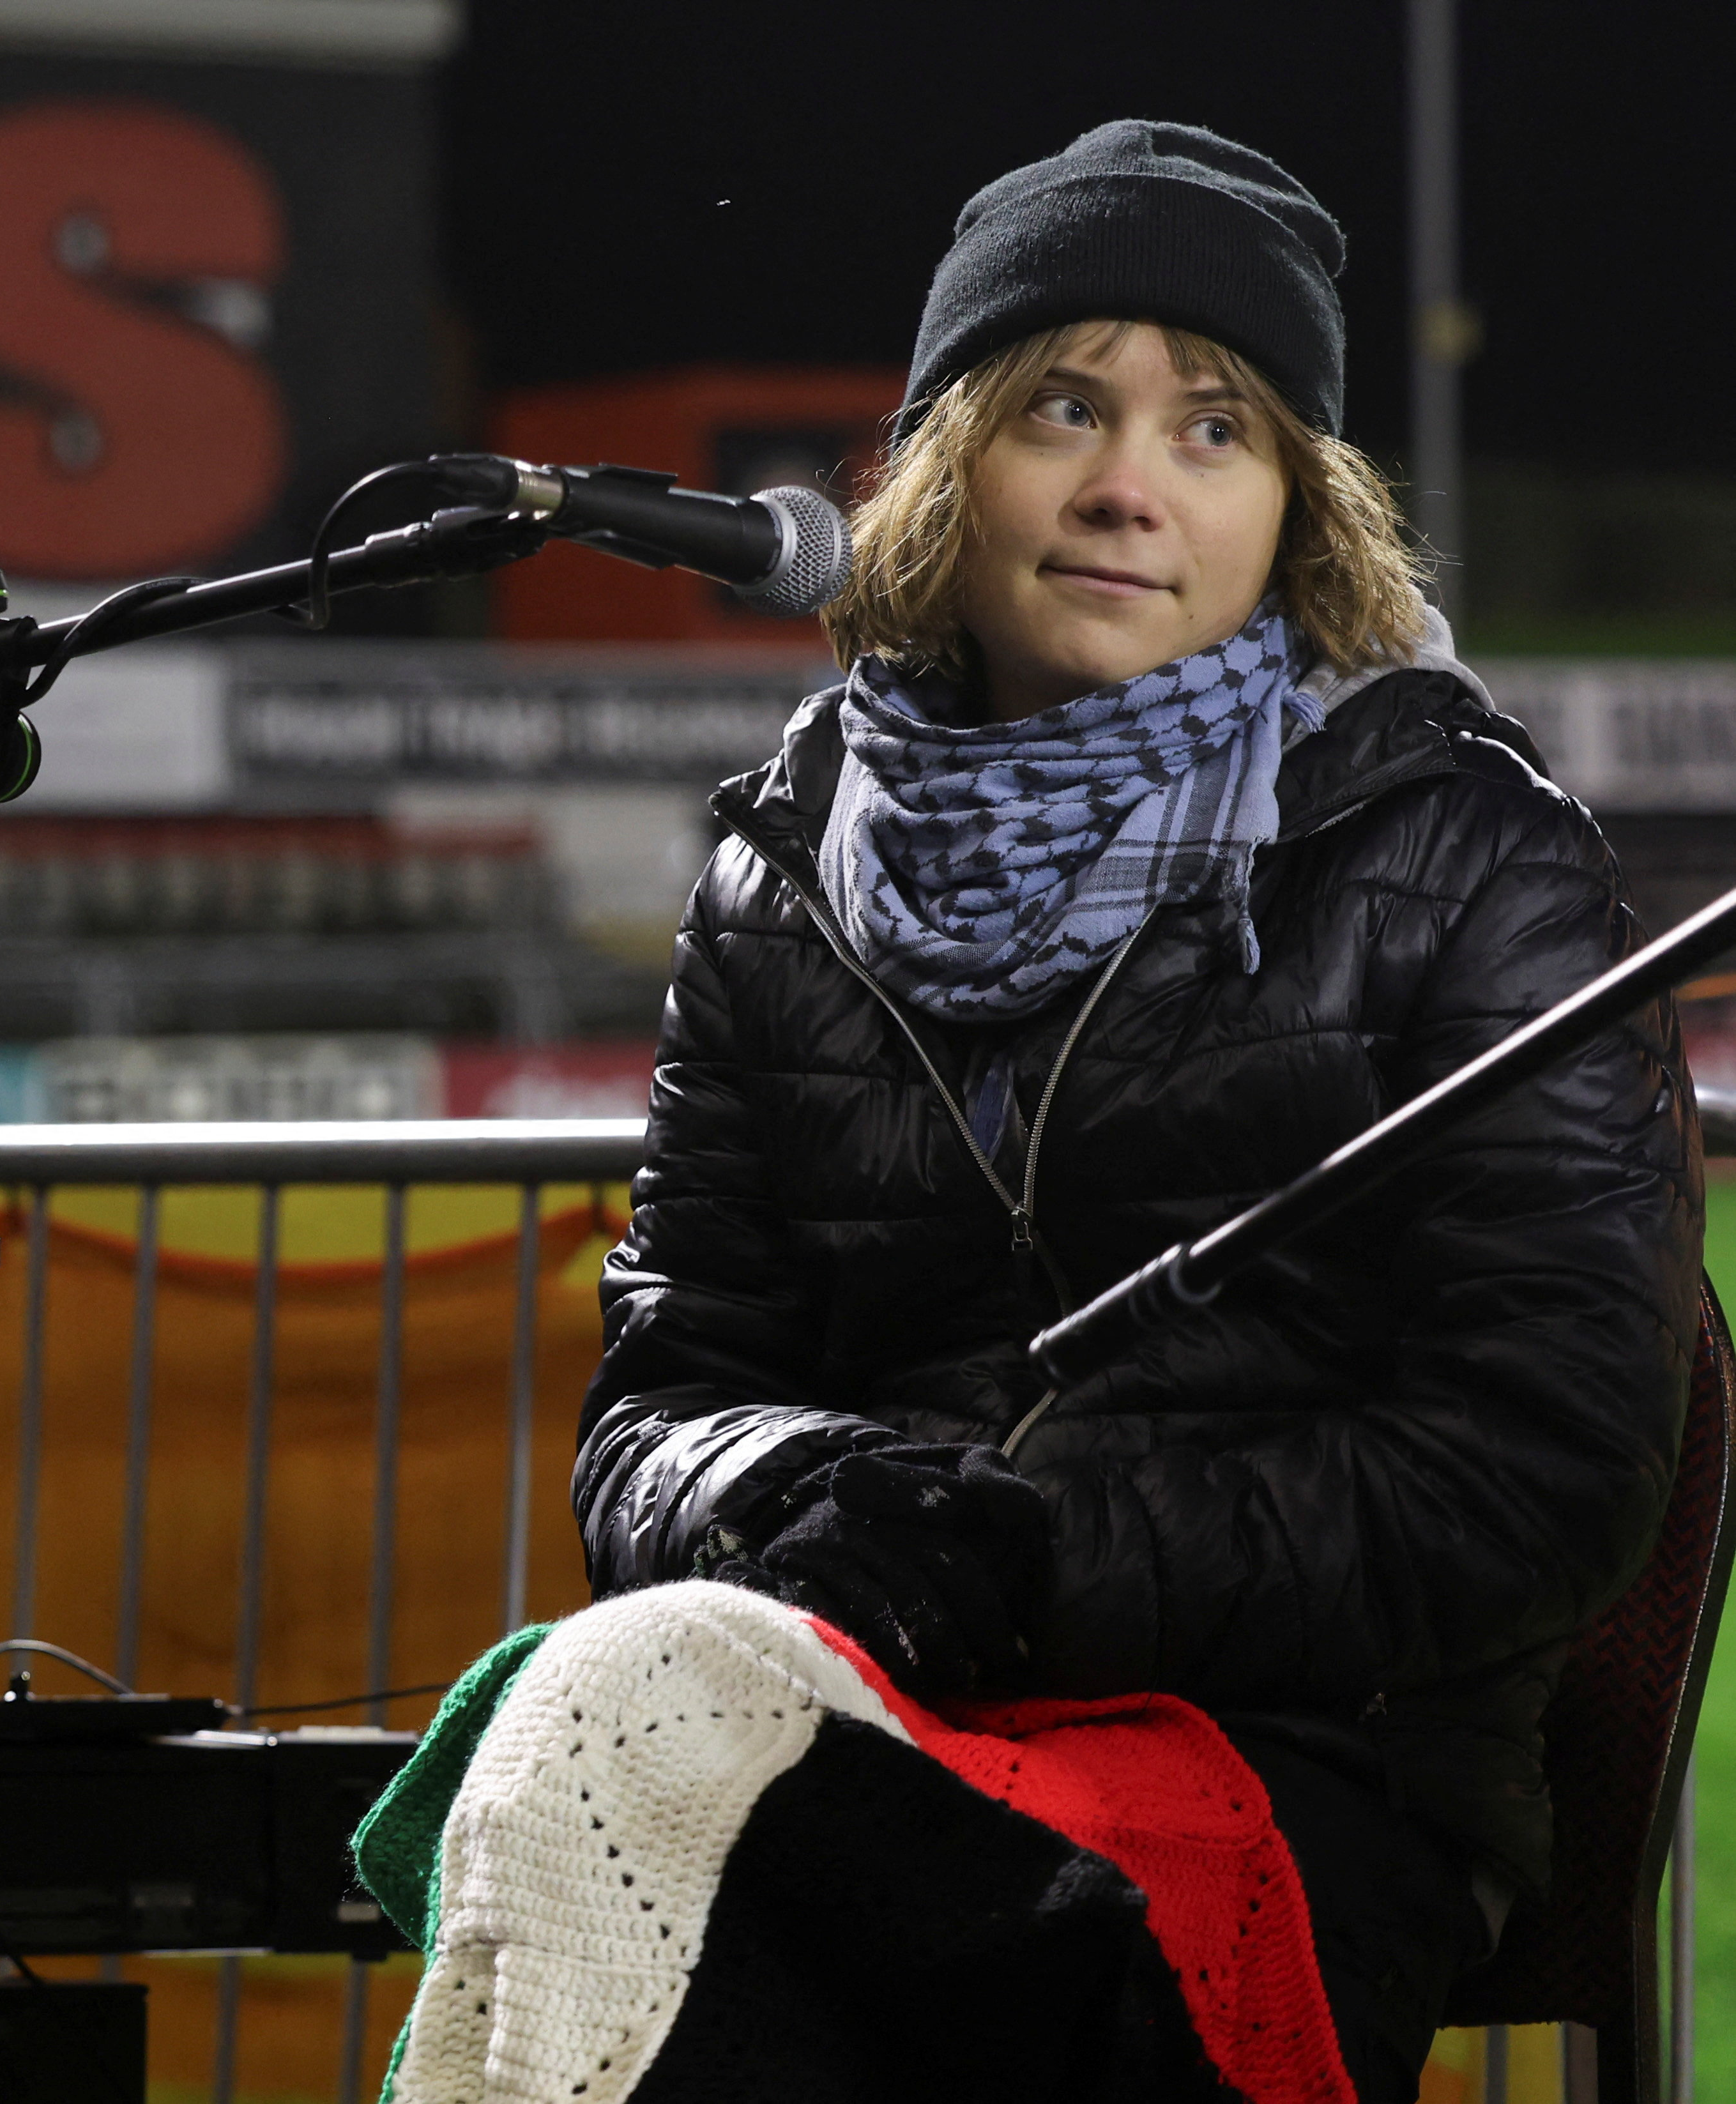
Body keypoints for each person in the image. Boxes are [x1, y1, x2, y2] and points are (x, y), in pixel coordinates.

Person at [574, 120, 1707, 2101]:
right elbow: (659, 1401)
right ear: (944, 463)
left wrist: (1032, 1561)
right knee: (592, 1762)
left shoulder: (1470, 856)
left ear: (1298, 508)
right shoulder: (775, 870)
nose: (1122, 485)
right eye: (1061, 407)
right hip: (850, 1710)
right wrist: (777, 1500)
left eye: (1213, 430)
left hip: (1312, 1759)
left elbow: (1537, 1470)